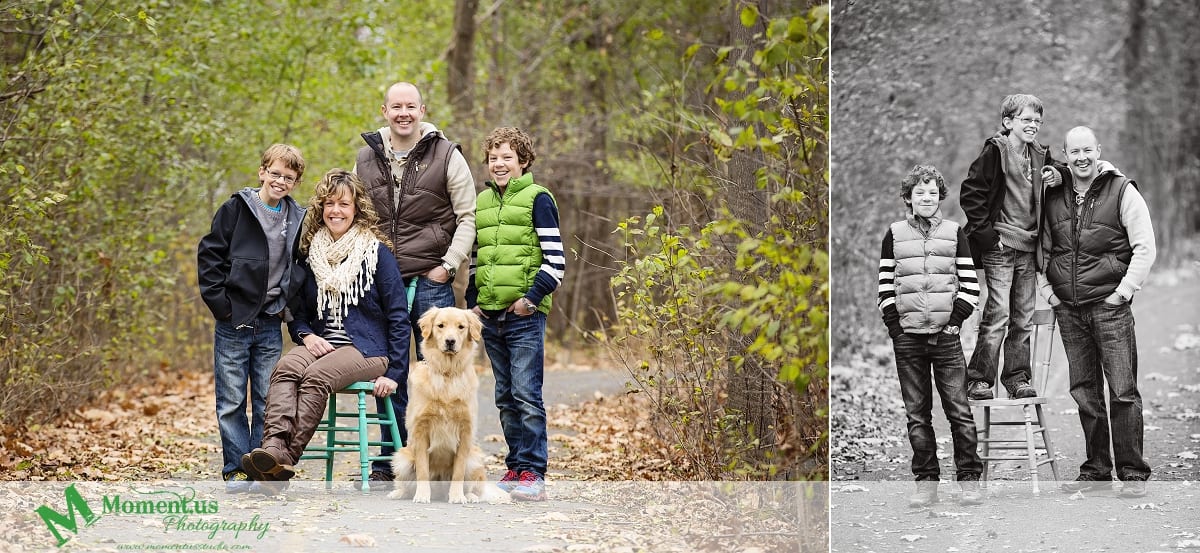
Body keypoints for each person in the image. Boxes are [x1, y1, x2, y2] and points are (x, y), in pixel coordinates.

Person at [240, 169, 411, 493]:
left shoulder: (377, 254)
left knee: (316, 376)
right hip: (323, 343)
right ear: (321, 209)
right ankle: (273, 450)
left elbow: (399, 317)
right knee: (286, 367)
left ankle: (283, 462)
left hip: (367, 349)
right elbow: (299, 313)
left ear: (356, 209)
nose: (336, 211)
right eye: (330, 204)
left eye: (344, 204)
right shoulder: (310, 256)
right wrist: (306, 335)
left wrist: (397, 372)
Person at [353, 81, 476, 486]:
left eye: (410, 106)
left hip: (430, 280)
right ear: (384, 110)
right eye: (395, 107)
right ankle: (393, 459)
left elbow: (467, 217)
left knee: (435, 372)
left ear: (422, 109)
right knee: (388, 368)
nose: (403, 113)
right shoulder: (365, 158)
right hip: (381, 279)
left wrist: (448, 265)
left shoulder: (447, 154)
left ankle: (442, 462)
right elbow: (355, 217)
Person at [1042, 126, 1155, 498]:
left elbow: (1145, 248)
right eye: (1073, 152)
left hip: (1110, 307)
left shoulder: (1122, 190)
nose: (1081, 158)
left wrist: (1123, 293)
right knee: (1085, 392)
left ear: (1098, 150)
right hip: (1069, 311)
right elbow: (1040, 250)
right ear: (1065, 155)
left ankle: (1132, 471)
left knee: (1122, 391)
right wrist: (1050, 294)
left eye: (1087, 150)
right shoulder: (1053, 193)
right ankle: (1097, 468)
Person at [197, 144, 306, 493]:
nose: (280, 181)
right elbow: (210, 256)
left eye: (288, 177)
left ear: (295, 182)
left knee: (266, 399)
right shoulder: (236, 209)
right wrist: (223, 307)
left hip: (271, 321)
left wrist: (291, 310)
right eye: (274, 173)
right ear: (262, 172)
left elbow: (299, 267)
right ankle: (235, 470)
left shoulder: (297, 218)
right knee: (231, 401)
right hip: (234, 320)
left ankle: (260, 468)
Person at [466, 127, 564, 501]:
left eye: (507, 157)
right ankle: (516, 467)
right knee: (505, 395)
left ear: (523, 161)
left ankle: (534, 473)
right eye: (493, 157)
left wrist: (530, 299)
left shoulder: (539, 199)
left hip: (524, 315)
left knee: (526, 394)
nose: (499, 164)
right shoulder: (483, 202)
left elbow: (556, 262)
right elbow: (478, 258)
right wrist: (474, 299)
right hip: (489, 316)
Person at [878, 164, 983, 507]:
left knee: (959, 411)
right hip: (907, 339)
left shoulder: (955, 233)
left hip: (946, 337)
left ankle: (969, 480)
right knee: (917, 415)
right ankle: (926, 482)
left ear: (940, 197)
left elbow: (970, 286)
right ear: (908, 198)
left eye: (933, 192)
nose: (927, 198)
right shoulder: (893, 234)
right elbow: (884, 289)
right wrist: (895, 328)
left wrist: (955, 322)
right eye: (919, 193)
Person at [959, 94, 1055, 401]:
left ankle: (1017, 378)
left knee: (1023, 316)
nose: (1033, 125)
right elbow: (971, 193)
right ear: (1008, 122)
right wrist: (988, 237)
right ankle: (979, 379)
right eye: (1026, 119)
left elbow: (1061, 172)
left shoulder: (1039, 156)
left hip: (1028, 246)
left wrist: (1059, 174)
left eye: (1038, 121)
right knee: (998, 312)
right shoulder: (995, 151)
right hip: (1000, 244)